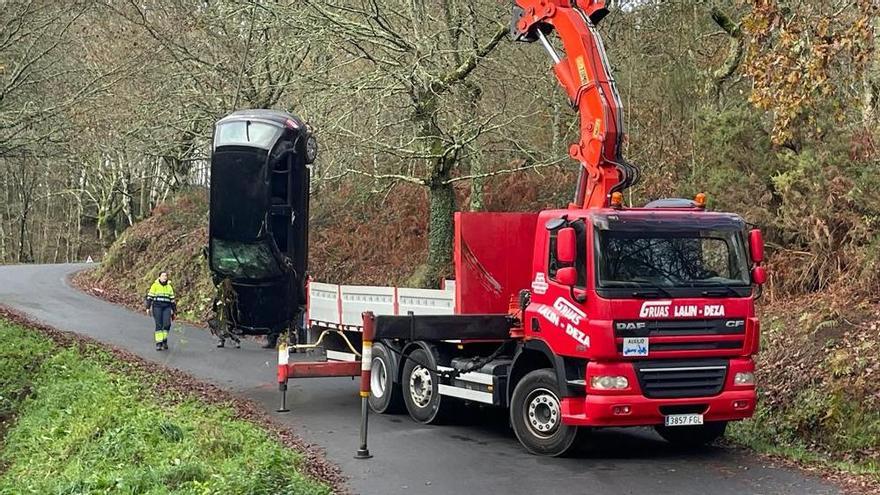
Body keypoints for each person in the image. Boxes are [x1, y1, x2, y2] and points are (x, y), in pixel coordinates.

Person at [145, 271, 176, 351]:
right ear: (159, 277)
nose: (164, 277)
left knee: (167, 324)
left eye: (166, 276)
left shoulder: (169, 287)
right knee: (159, 324)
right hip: (157, 307)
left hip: (167, 307)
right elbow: (150, 297)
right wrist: (148, 308)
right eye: (163, 276)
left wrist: (174, 311)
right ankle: (159, 343)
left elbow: (172, 300)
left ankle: (164, 339)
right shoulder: (155, 286)